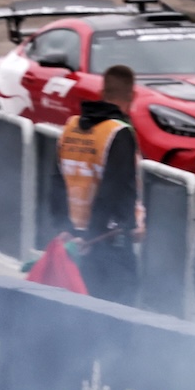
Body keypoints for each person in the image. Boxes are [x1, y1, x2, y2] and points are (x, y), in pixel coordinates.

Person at [51, 64, 143, 303]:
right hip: (106, 245)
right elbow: (113, 191)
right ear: (132, 96)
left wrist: (64, 228)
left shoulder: (70, 128)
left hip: (70, 242)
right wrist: (121, 226)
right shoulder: (118, 133)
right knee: (116, 319)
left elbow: (56, 183)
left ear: (102, 93)